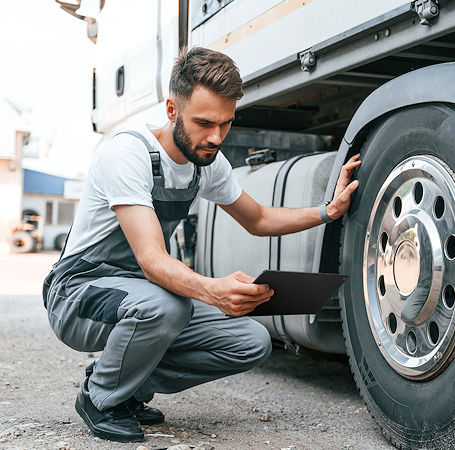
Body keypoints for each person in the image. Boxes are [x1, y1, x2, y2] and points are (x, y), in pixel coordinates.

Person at [42, 47, 361, 443]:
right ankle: (101, 398)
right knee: (165, 304)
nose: (215, 137)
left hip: (141, 298)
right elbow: (152, 260)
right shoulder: (128, 154)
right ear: (172, 110)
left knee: (251, 342)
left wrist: (327, 210)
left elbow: (258, 219)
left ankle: (124, 383)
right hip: (79, 293)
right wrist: (213, 291)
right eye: (205, 123)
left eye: (226, 124)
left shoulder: (205, 162)